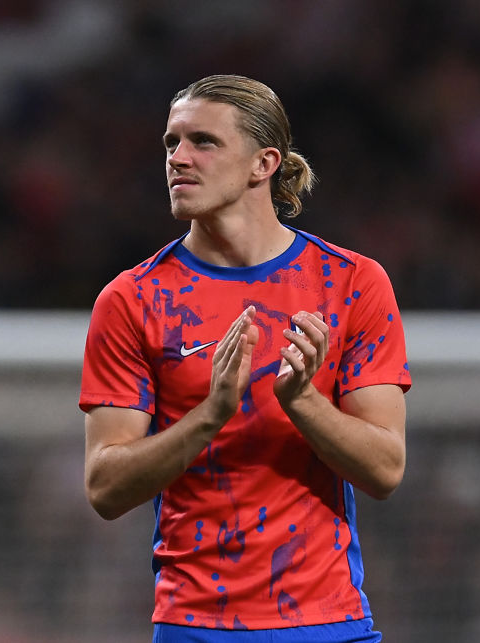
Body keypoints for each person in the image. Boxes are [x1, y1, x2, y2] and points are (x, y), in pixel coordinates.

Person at [79, 74, 411, 642]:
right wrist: (210, 414)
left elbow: (385, 470)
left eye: (202, 141)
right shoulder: (132, 300)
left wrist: (302, 401)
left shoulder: (352, 283)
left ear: (264, 164)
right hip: (195, 627)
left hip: (327, 624)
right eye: (170, 143)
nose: (178, 158)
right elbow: (105, 489)